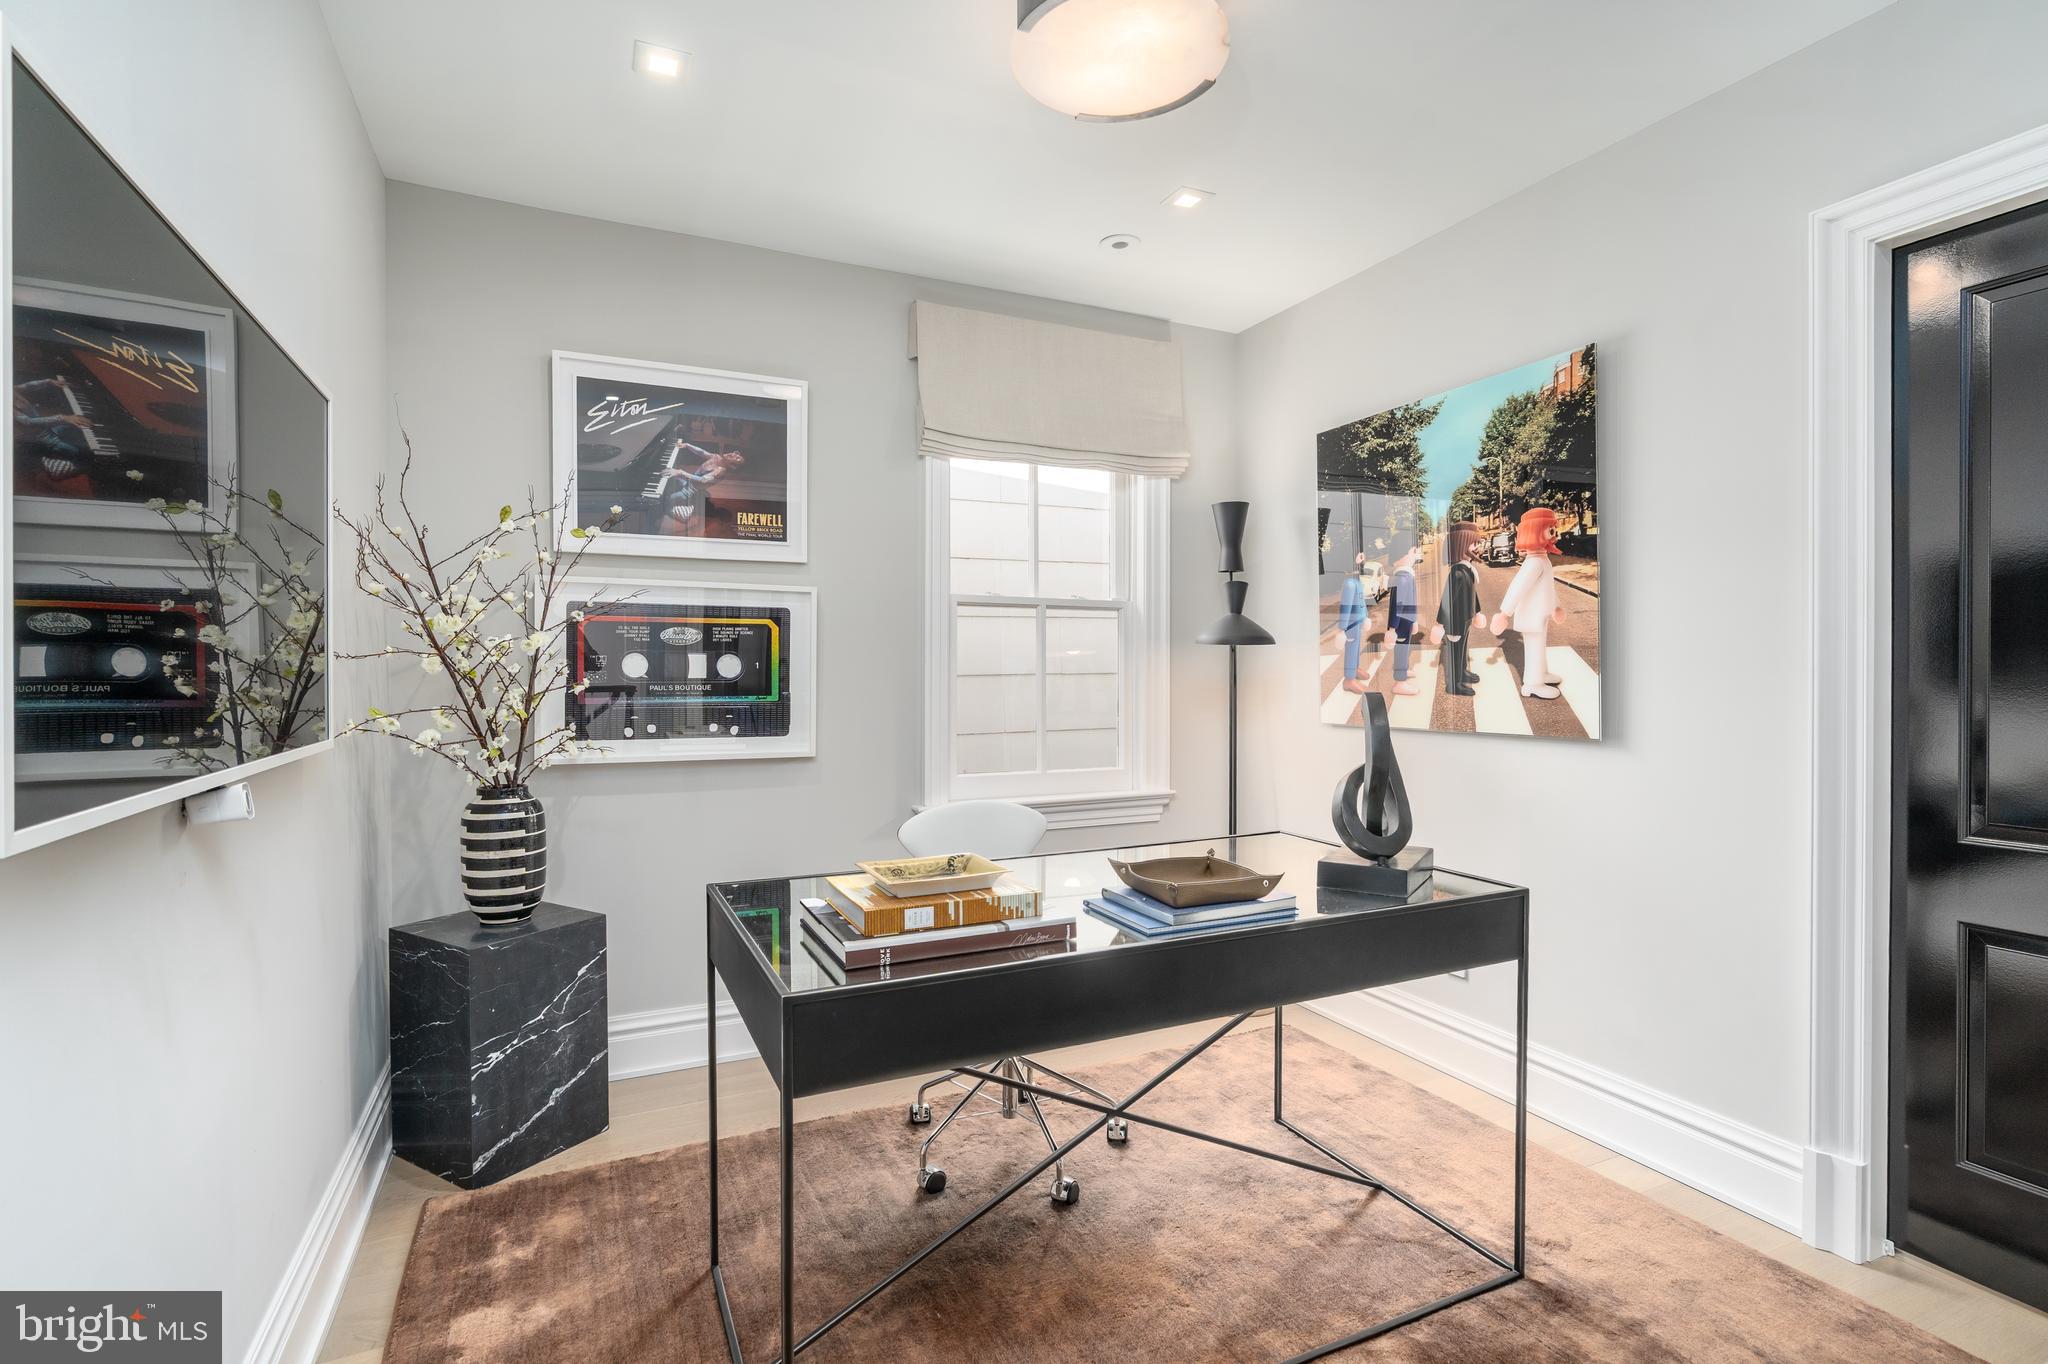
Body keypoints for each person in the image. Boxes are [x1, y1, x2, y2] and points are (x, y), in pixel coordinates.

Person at [1490, 507, 1567, 699]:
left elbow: (1548, 588)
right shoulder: (1534, 563)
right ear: (1534, 531)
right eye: (1550, 530)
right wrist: (1504, 613)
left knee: (1539, 647)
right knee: (1534, 648)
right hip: (1532, 617)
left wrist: (1556, 606)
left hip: (1541, 615)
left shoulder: (1542, 560)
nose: (1554, 534)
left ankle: (1542, 674)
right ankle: (1532, 684)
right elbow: (1517, 588)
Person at [1430, 520, 1486, 697]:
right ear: (1460, 544)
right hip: (1454, 622)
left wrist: (1477, 612)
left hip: (1465, 619)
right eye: (1473, 543)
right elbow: (1446, 601)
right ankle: (1453, 684)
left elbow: (1472, 594)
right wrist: (1439, 624)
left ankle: (1462, 672)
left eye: (1477, 543)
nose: (1477, 547)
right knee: (1455, 653)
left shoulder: (1467, 569)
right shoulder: (1457, 572)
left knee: (1462, 649)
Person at [1384, 528, 1421, 697]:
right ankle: (1400, 682)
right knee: (1401, 650)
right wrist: (1392, 629)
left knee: (1404, 649)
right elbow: (1396, 606)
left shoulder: (1406, 576)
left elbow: (1409, 601)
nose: (1416, 555)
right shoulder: (1403, 578)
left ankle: (1403, 670)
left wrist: (1413, 621)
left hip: (1405, 623)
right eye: (1415, 551)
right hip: (1400, 625)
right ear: (1409, 551)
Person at [1337, 551, 1376, 694]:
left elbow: (1362, 601)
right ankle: (1349, 680)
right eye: (1358, 555)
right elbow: (1345, 608)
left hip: (1358, 621)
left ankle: (1355, 669)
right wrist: (1342, 629)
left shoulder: (1357, 581)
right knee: (1351, 649)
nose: (1362, 556)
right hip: (1351, 624)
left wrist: (1365, 616)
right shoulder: (1349, 583)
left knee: (1357, 647)